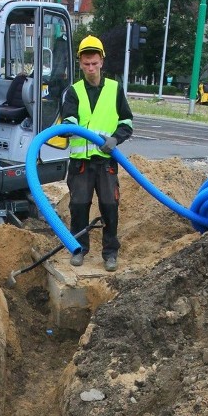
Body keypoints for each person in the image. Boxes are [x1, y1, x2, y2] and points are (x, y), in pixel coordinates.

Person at [61, 36, 133, 272]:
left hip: (106, 162)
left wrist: (115, 139)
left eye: (94, 63)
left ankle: (110, 253)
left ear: (102, 61)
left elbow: (126, 122)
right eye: (86, 64)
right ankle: (78, 249)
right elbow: (68, 121)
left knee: (110, 205)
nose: (90, 68)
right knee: (79, 205)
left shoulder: (114, 89)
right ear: (80, 64)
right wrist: (70, 128)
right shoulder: (74, 91)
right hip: (81, 163)